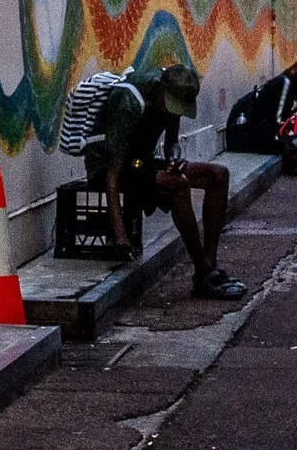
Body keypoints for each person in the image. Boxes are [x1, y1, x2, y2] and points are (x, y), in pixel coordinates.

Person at [82, 64, 247, 301]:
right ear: (159, 90)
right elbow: (112, 176)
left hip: (140, 162)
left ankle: (209, 264)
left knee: (218, 175)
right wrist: (120, 234)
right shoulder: (128, 101)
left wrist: (174, 159)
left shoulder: (176, 91)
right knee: (177, 184)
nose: (173, 112)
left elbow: (172, 144)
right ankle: (203, 272)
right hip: (110, 166)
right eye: (171, 107)